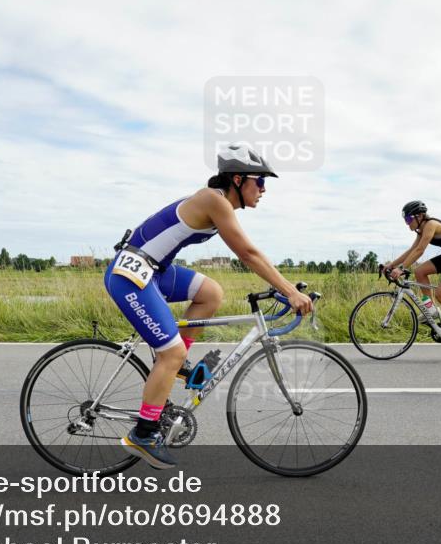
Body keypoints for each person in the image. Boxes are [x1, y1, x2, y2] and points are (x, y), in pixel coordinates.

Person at [104, 143, 313, 469]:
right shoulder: (213, 201)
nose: (264, 189)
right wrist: (289, 291)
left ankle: (177, 362)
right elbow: (248, 254)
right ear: (239, 178)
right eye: (259, 182)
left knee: (211, 293)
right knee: (169, 353)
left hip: (153, 271)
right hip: (131, 275)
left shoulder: (217, 202)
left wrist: (285, 287)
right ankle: (143, 434)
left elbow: (249, 254)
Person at [382, 200, 441, 350]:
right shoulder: (421, 229)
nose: (407, 223)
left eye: (408, 219)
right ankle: (431, 309)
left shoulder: (431, 225)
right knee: (419, 271)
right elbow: (412, 250)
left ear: (420, 216)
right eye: (405, 220)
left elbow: (420, 250)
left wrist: (401, 268)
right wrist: (392, 265)